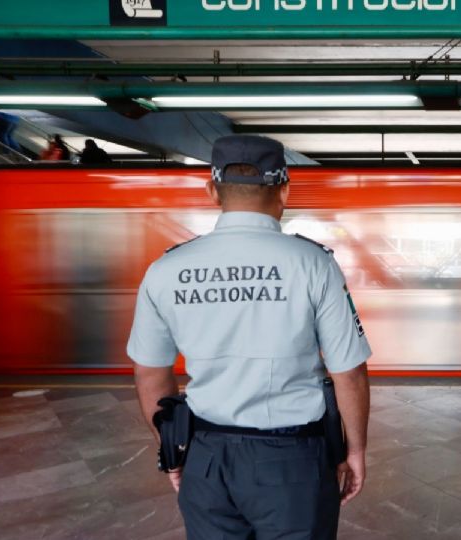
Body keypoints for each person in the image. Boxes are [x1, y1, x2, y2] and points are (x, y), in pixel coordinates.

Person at [128, 135, 372, 540]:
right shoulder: (314, 264)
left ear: (212, 190)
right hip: (293, 463)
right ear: (285, 190)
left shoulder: (166, 270)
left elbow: (150, 374)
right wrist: (356, 451)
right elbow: (348, 371)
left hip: (205, 456)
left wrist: (173, 451)